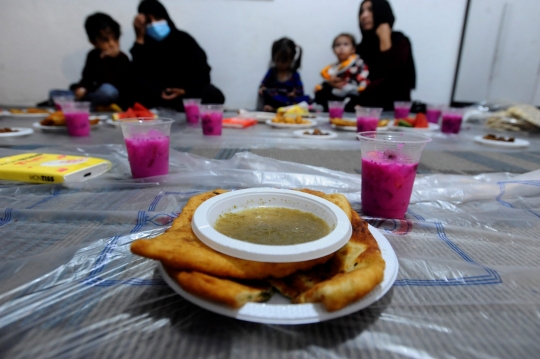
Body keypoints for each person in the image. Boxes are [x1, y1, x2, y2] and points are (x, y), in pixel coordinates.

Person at [131, 0, 225, 111]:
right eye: (148, 21)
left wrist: (185, 90)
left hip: (184, 93)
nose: (154, 24)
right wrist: (139, 37)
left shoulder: (183, 39)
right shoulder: (144, 44)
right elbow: (138, 74)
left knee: (213, 94)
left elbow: (203, 72)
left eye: (157, 18)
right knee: (132, 90)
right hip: (157, 95)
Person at [354, 0, 416, 110]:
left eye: (370, 10)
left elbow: (394, 78)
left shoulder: (400, 41)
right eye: (361, 11)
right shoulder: (361, 47)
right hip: (362, 109)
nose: (364, 16)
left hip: (392, 108)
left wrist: (385, 39)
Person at [70, 13, 132, 109]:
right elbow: (87, 79)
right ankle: (88, 103)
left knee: (107, 90)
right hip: (95, 94)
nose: (112, 44)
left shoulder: (122, 58)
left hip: (115, 97)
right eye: (105, 40)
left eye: (115, 38)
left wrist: (106, 61)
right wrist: (82, 88)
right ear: (93, 42)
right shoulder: (93, 55)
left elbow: (116, 84)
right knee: (59, 93)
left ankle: (88, 106)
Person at [314, 33, 370, 112]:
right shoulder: (334, 67)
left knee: (354, 98)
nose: (341, 47)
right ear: (333, 50)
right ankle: (323, 107)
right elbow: (328, 80)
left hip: (351, 91)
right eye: (338, 45)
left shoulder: (357, 62)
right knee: (321, 93)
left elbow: (363, 75)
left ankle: (350, 108)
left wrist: (350, 83)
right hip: (337, 92)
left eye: (345, 44)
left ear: (353, 49)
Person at [258, 38, 311, 112]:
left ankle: (279, 110)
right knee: (271, 95)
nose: (280, 64)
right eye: (277, 60)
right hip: (275, 99)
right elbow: (263, 84)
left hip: (288, 102)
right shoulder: (272, 72)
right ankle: (274, 109)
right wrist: (262, 89)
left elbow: (300, 91)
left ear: (291, 59)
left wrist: (295, 93)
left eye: (283, 61)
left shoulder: (294, 74)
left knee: (305, 100)